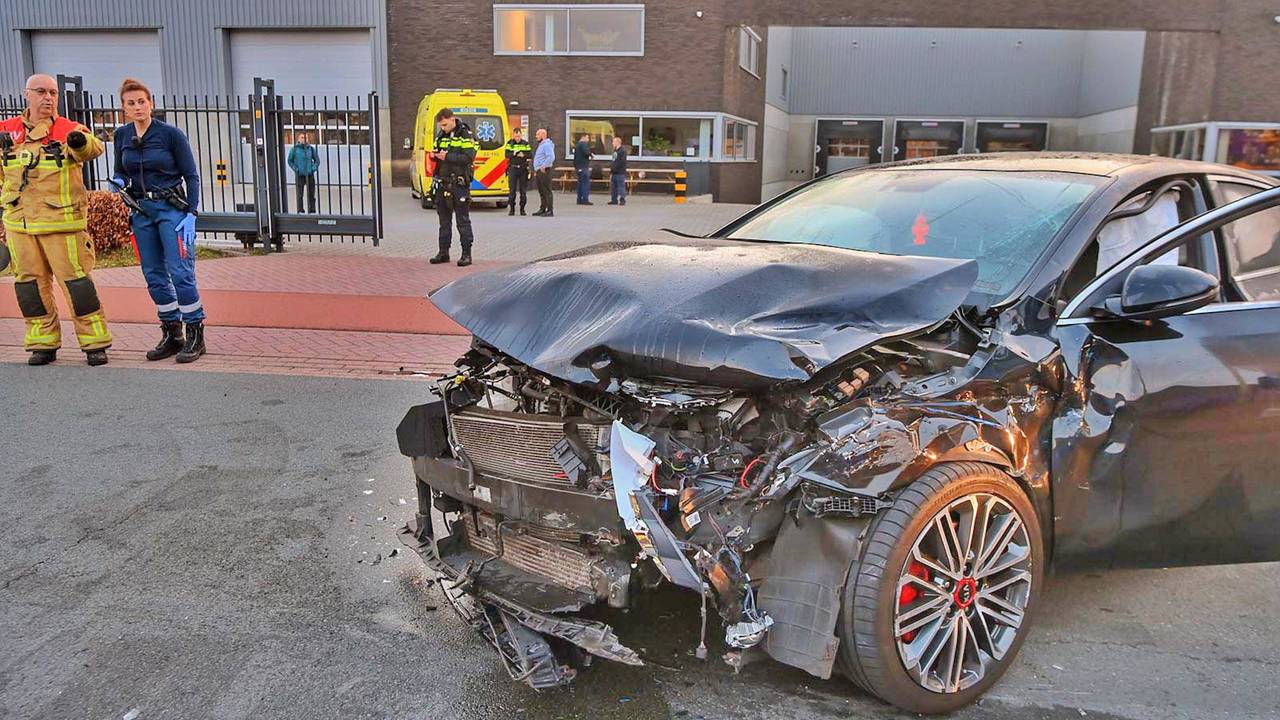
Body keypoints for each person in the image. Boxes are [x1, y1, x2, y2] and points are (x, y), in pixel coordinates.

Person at [0, 74, 112, 366]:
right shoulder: (6, 132)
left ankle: (94, 342)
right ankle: (43, 343)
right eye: (41, 92)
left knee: (77, 284)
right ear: (27, 95)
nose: (48, 98)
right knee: (29, 286)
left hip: (62, 225)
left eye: (53, 92)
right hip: (20, 226)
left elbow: (92, 148)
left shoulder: (67, 129)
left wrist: (79, 142)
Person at [111, 77, 207, 363]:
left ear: (151, 103)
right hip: (141, 212)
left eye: (142, 101)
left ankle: (195, 333)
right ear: (124, 108)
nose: (137, 107)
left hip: (170, 210)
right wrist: (118, 181)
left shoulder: (170, 135)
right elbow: (121, 170)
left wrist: (191, 213)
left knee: (180, 272)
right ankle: (172, 333)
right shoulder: (122, 135)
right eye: (131, 103)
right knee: (153, 274)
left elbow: (191, 175)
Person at [429, 108, 477, 267]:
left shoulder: (465, 134)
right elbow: (437, 152)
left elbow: (469, 157)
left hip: (458, 183)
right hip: (442, 182)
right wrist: (434, 155)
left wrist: (447, 156)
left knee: (462, 220)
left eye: (445, 125)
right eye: (441, 125)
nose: (443, 128)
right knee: (444, 221)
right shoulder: (441, 135)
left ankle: (466, 254)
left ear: (452, 119)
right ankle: (443, 252)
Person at [288, 132, 319, 213]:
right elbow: (290, 161)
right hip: (300, 175)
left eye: (306, 138)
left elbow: (317, 160)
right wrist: (296, 169)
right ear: (298, 139)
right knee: (300, 195)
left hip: (310, 175)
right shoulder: (294, 149)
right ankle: (300, 210)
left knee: (311, 194)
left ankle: (312, 210)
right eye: (302, 137)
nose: (304, 139)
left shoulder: (311, 149)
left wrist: (313, 168)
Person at [504, 127, 532, 216]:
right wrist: (514, 153)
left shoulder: (526, 144)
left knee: (523, 191)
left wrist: (523, 155)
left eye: (519, 136)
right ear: (513, 135)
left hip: (523, 169)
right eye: (516, 136)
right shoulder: (510, 143)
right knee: (512, 190)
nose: (517, 138)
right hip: (513, 168)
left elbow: (530, 155)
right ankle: (512, 209)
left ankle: (522, 209)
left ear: (521, 135)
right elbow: (506, 154)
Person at [532, 128, 555, 217]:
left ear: (543, 135)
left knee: (547, 191)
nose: (536, 136)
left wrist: (543, 166)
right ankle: (542, 209)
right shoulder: (542, 145)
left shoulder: (546, 145)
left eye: (538, 134)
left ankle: (550, 210)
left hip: (544, 171)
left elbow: (551, 157)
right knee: (541, 191)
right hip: (539, 171)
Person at [574, 133, 593, 205]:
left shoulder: (577, 145)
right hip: (583, 166)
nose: (588, 140)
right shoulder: (583, 144)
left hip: (578, 167)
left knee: (580, 183)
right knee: (585, 183)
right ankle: (585, 199)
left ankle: (579, 199)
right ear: (583, 137)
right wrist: (591, 154)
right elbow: (586, 152)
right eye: (587, 138)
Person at [608, 136, 628, 206]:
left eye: (613, 142)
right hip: (614, 172)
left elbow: (622, 162)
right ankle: (614, 200)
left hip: (620, 172)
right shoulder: (615, 151)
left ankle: (622, 199)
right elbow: (613, 161)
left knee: (621, 187)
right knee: (613, 187)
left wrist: (616, 168)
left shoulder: (622, 151)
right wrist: (611, 171)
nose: (612, 143)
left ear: (618, 142)